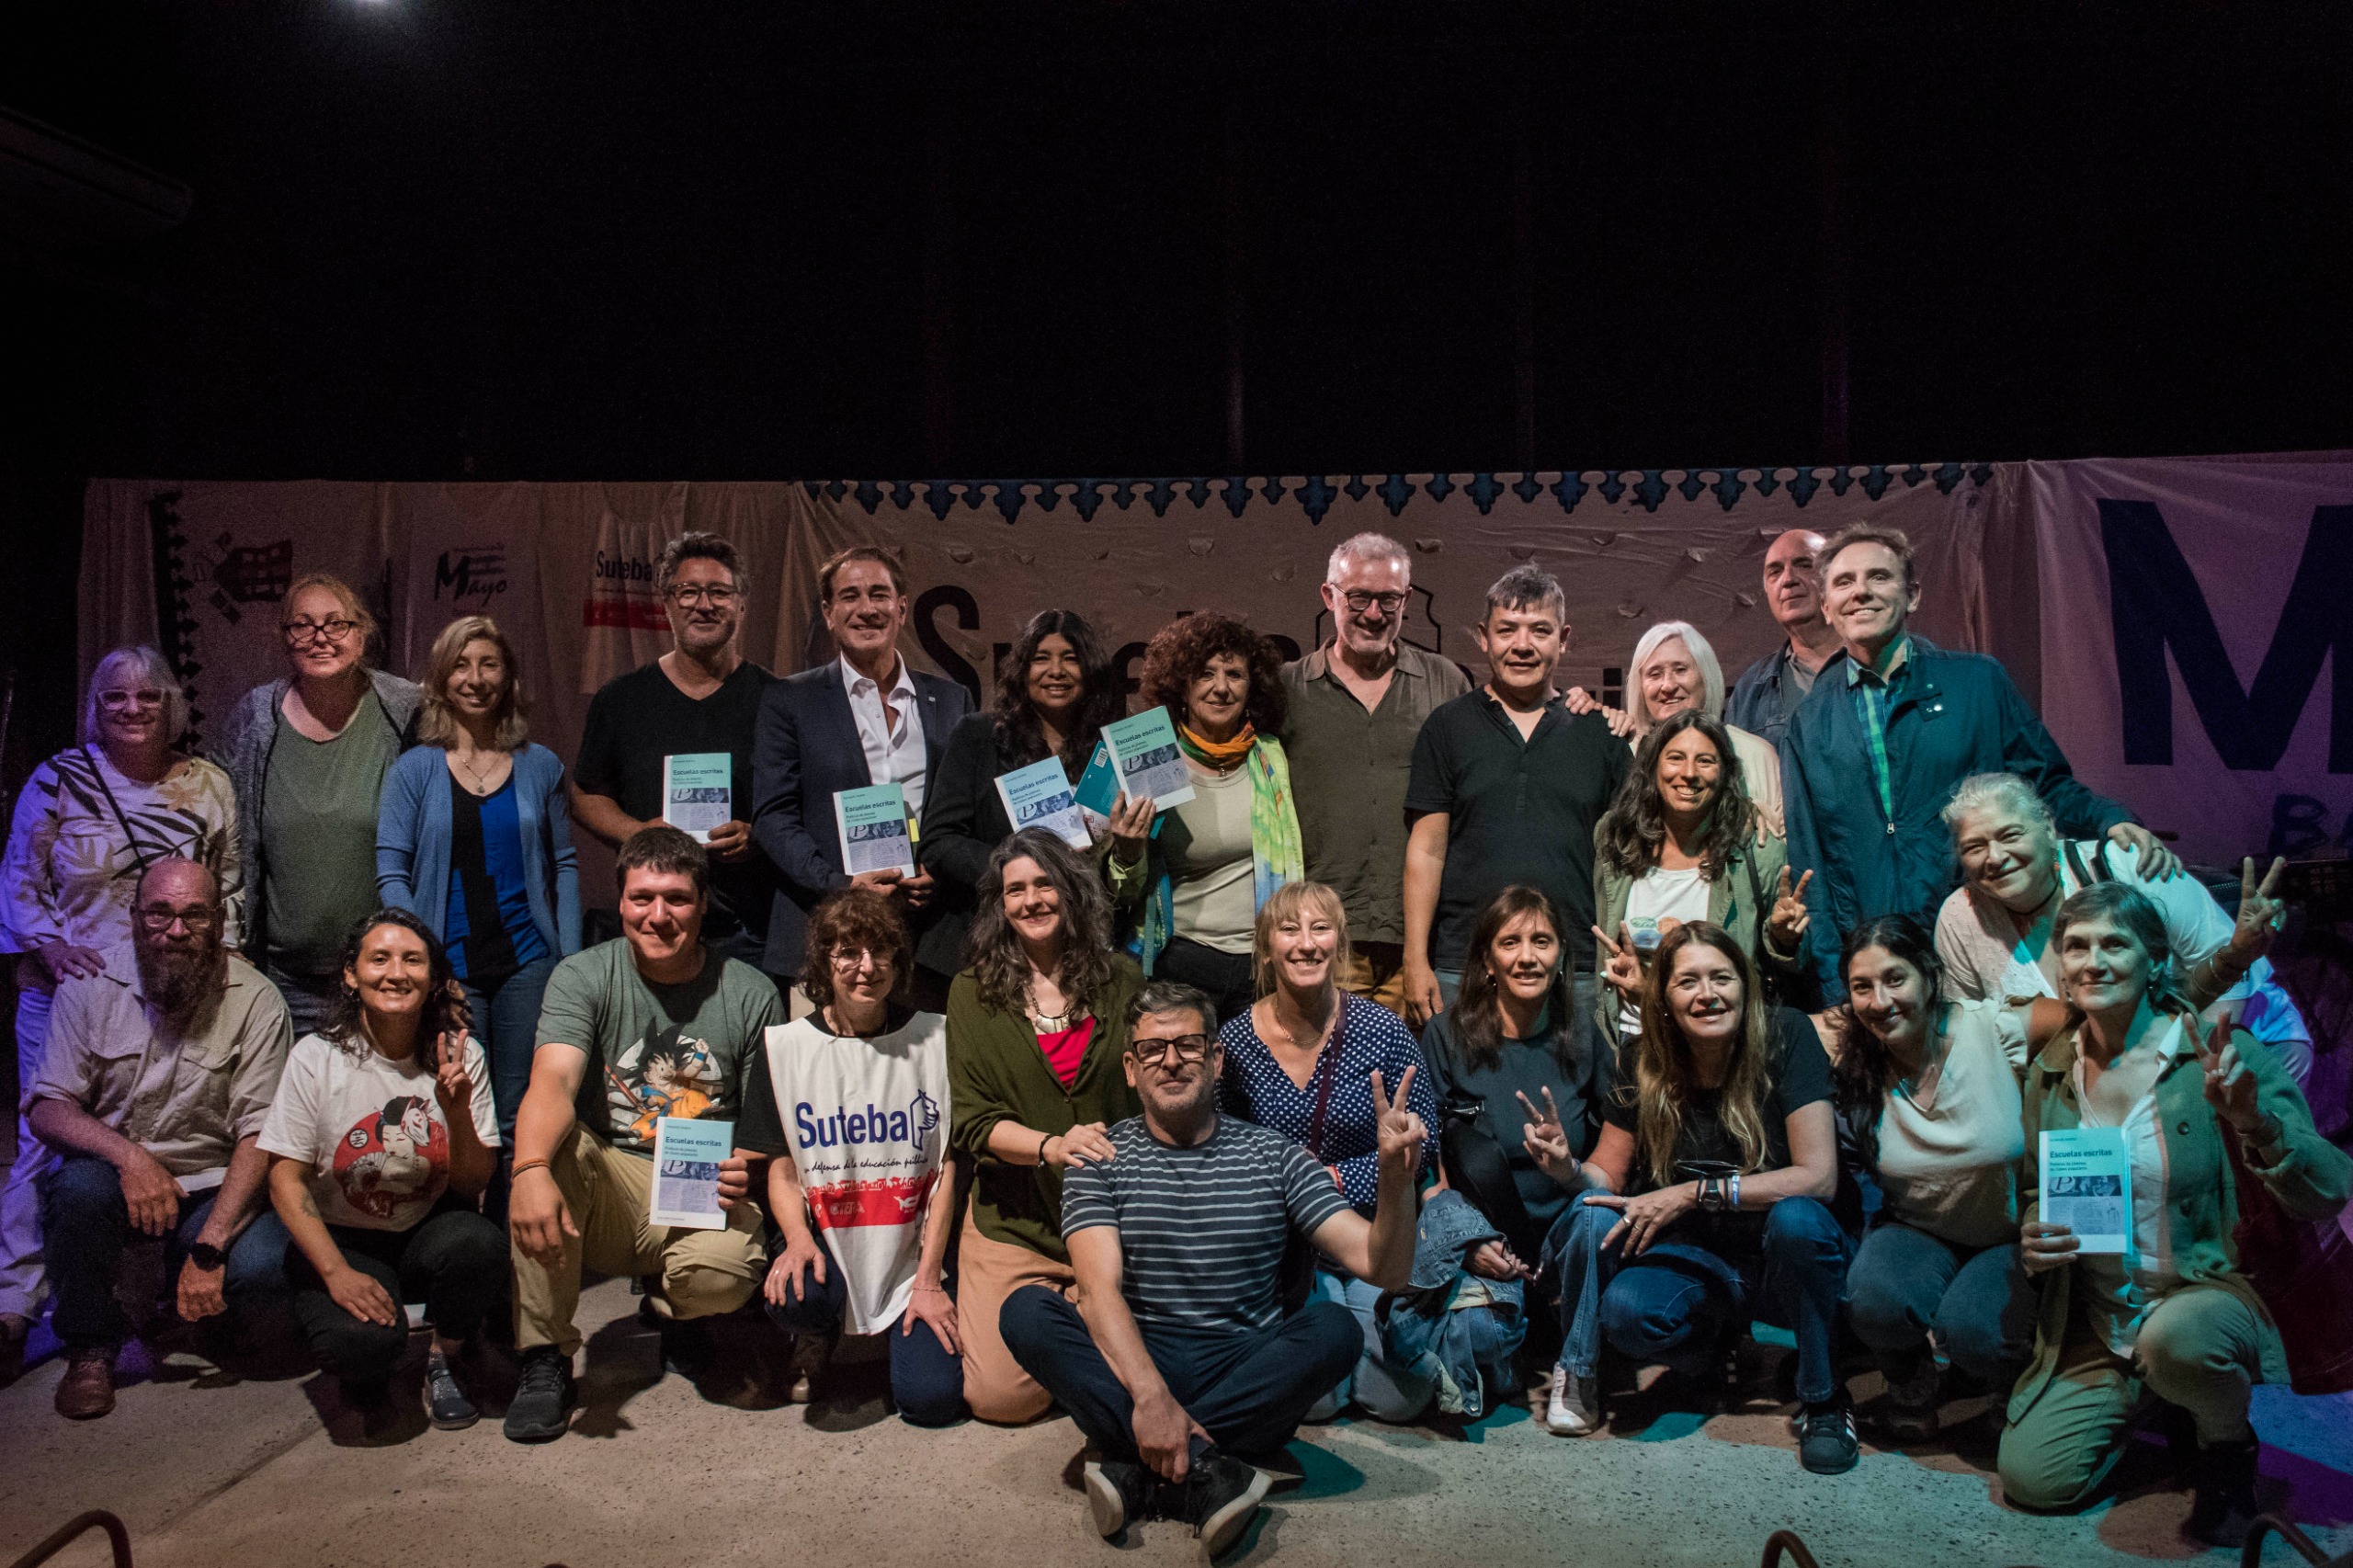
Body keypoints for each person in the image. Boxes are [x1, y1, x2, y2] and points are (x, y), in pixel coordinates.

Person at [997, 979, 1426, 1559]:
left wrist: (1395, 1180)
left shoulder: (1277, 1155)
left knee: (1336, 1331)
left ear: (1217, 1059)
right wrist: (1150, 1396)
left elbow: (1385, 1268)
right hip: (1138, 1359)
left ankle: (1135, 1464)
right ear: (1130, 1067)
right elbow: (1098, 1293)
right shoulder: (1100, 1159)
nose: (1170, 1061)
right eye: (1152, 1049)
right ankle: (1210, 1468)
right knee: (1027, 1311)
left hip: (1243, 1364)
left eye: (1188, 1046)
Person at [1997, 883, 2350, 1546]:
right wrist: (2034, 1230)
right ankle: (2163, 1397)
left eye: (2114, 944)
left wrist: (2254, 1121)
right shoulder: (2051, 1071)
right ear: (2060, 967)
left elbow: (2330, 1187)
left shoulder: (2216, 1051)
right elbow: (2034, 1190)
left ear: (2154, 960)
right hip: (2103, 1317)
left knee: (2178, 1342)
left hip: (2207, 1293)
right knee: (2032, 1481)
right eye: (2077, 946)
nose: (2093, 961)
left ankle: (2225, 1446)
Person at [1779, 524, 2177, 994]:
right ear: (1826, 606)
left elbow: (2044, 786)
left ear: (1912, 595)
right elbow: (1812, 869)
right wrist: (1833, 986)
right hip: (1879, 967)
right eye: (1844, 582)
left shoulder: (1977, 684)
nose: (1860, 591)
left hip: (1981, 939)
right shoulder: (1807, 722)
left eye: (1879, 577)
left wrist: (2108, 819)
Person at [0, 646, 242, 1378]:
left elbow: (227, 885)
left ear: (173, 704)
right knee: (47, 1143)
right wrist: (45, 946)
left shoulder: (208, 784)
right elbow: (20, 875)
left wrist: (221, 966)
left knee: (175, 1132)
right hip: (72, 990)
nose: (131, 709)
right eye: (114, 698)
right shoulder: (60, 779)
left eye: (147, 696)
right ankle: (14, 1305)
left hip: (175, 990)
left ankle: (158, 1296)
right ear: (94, 707)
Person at [1541, 922, 1859, 1474]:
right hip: (1702, 1259)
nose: (1707, 994)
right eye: (1688, 982)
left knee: (1798, 1219)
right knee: (1627, 1312)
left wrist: (1694, 1192)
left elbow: (1818, 1177)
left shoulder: (1786, 1035)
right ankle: (1713, 1348)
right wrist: (1567, 1166)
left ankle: (1825, 1400)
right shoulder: (1642, 1057)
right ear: (1663, 998)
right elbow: (1607, 1179)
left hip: (1785, 1254)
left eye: (1721, 978)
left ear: (1746, 986)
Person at [502, 824, 780, 1443]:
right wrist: (527, 1169)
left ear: (703, 904)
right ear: (621, 901)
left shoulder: (750, 992)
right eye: (641, 898)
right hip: (610, 1174)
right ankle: (545, 1356)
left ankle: (674, 1306)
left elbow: (766, 1119)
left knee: (724, 1275)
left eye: (677, 898)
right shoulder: (583, 976)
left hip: (703, 1181)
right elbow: (551, 1081)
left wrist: (748, 1163)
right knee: (554, 1146)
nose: (658, 916)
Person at [23, 858, 292, 1420]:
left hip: (211, 1185)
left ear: (219, 922)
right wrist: (131, 1159)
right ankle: (92, 1348)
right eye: (160, 914)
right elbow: (47, 1109)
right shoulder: (90, 984)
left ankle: (179, 1302)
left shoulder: (257, 1000)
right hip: (115, 1178)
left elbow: (261, 1134)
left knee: (261, 1275)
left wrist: (210, 1246)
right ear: (134, 917)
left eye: (194, 916)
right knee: (77, 1192)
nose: (175, 931)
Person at [259, 909, 506, 1427]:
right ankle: (369, 1363)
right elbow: (284, 1177)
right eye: (380, 959)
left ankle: (445, 1358)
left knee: (477, 1244)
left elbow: (473, 1182)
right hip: (344, 1236)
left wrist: (455, 1110)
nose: (396, 973)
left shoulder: (461, 1055)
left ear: (434, 979)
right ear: (351, 974)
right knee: (362, 1350)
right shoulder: (316, 1057)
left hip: (425, 1228)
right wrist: (336, 1273)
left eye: (413, 960)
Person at [1214, 881, 1445, 1422]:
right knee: (1318, 1403)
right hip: (1281, 1246)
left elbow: (1425, 1137)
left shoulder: (1381, 1031)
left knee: (1393, 1401)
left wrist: (1340, 1180)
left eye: (1321, 929)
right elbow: (1219, 1148)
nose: (1306, 944)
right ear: (1266, 946)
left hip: (1368, 1235)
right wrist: (1294, 1187)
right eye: (1289, 930)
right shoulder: (1234, 1042)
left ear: (1340, 944)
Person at [735, 887, 964, 1426]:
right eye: (847, 953)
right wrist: (794, 1241)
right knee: (799, 1294)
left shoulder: (933, 1038)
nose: (866, 967)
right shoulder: (785, 1048)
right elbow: (782, 1165)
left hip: (911, 1253)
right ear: (823, 962)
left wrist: (930, 1281)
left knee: (932, 1402)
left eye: (879, 952)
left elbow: (948, 1167)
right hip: (825, 1236)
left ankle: (893, 1331)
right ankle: (817, 1330)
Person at [1934, 771, 2311, 1084]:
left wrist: (2185, 1076)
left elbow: (2227, 965)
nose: (1996, 857)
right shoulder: (1959, 919)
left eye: (2010, 835)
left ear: (2049, 829)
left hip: (2242, 1048)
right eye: (1974, 847)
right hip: (2101, 1086)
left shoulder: (2128, 865)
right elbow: (1970, 1032)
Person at [946, 827, 1143, 1424]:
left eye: (1043, 884)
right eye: (1015, 891)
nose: (1031, 900)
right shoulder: (972, 994)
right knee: (999, 1401)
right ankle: (1078, 1327)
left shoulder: (1123, 980)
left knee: (1170, 1363)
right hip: (1016, 1222)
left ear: (1071, 889)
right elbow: (974, 1123)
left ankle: (1078, 1327)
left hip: (1108, 1220)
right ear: (1000, 906)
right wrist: (1052, 1147)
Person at [376, 615, 582, 1146]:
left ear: (508, 676)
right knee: (458, 1111)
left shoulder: (542, 766)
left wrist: (569, 965)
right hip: (450, 968)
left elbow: (563, 865)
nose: (475, 678)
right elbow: (391, 872)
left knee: (520, 1116)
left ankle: (515, 1226)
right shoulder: (414, 770)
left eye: (489, 664)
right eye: (461, 666)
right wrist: (427, 965)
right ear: (442, 680)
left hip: (528, 963)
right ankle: (468, 1230)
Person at [1831, 916, 2040, 1442]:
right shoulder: (1857, 1050)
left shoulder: (1991, 1027)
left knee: (1975, 1331)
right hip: (1919, 1228)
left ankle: (2007, 1381)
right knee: (1871, 1299)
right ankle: (1914, 1382)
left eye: (1895, 979)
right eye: (1862, 987)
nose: (1880, 1001)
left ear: (1929, 975)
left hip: (2009, 1233)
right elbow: (1767, 1026)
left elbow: (2093, 1018)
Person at [1402, 564, 1630, 1029]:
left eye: (1540, 631)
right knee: (1458, 1100)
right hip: (1460, 963)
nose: (1522, 646)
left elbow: (1630, 858)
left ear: (1563, 639)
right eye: (1507, 630)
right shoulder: (1447, 728)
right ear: (1484, 637)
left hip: (1579, 966)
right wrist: (1415, 958)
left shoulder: (1601, 734)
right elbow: (1426, 851)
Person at [753, 545, 972, 1008]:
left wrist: (940, 871)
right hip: (824, 930)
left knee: (923, 1079)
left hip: (929, 938)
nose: (867, 608)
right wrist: (842, 883)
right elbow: (774, 818)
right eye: (850, 596)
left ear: (902, 608)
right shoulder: (790, 701)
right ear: (829, 614)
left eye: (879, 594)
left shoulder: (952, 702)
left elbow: (967, 811)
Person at [213, 573, 420, 1039]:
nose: (320, 638)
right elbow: (218, 834)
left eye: (336, 624)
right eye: (302, 626)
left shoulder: (406, 710)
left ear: (362, 634)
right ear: (284, 638)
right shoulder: (255, 717)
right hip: (282, 979)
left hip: (385, 978)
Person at [1277, 532, 1471, 1015]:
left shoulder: (1445, 681)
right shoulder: (1285, 690)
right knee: (1330, 1085)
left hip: (1422, 943)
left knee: (1414, 1083)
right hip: (1320, 942)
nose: (1373, 613)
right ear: (1329, 596)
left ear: (1407, 599)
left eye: (1388, 599)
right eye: (1358, 597)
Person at [572, 532, 775, 971]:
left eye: (719, 592)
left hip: (754, 928)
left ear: (741, 605)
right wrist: (638, 832)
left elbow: (805, 803)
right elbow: (587, 794)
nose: (704, 604)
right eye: (688, 592)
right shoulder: (621, 699)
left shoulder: (779, 701)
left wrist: (761, 833)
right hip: (654, 925)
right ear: (666, 604)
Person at [1106, 611, 1302, 1028]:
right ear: (1181, 684)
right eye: (1205, 673)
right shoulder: (1151, 761)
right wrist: (1126, 850)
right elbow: (1123, 893)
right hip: (1180, 962)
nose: (1220, 687)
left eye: (1234, 674)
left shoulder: (1270, 756)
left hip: (1262, 966)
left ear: (1253, 688)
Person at [1420, 886, 1612, 1276]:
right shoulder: (1445, 1036)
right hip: (1479, 1236)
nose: (1527, 957)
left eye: (1542, 941)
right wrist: (1463, 1238)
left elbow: (1621, 1144)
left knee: (1600, 1229)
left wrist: (1570, 1169)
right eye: (1511, 942)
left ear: (1560, 958)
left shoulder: (1583, 1035)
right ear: (1488, 961)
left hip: (1568, 1233)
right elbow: (1426, 1163)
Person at [1591, 710, 1812, 1044]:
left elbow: (1786, 962)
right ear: (1652, 768)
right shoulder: (1615, 838)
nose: (1689, 773)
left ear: (1725, 772)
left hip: (1714, 1049)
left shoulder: (1757, 853)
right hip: (1629, 1043)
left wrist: (1783, 938)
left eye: (1705, 761)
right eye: (1675, 758)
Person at [920, 608, 1120, 959]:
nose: (1055, 671)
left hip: (1080, 947)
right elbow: (939, 842)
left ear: (1090, 671)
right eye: (1041, 658)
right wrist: (1018, 869)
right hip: (987, 945)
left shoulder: (1111, 752)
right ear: (1022, 670)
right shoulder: (979, 736)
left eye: (1070, 659)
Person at [1620, 619, 1784, 839]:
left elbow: (1781, 849)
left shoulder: (1756, 754)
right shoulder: (1624, 757)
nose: (1667, 686)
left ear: (1706, 676)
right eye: (1654, 674)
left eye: (1680, 670)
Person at [1725, 528, 1842, 750]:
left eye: (1805, 565)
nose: (1788, 579)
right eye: (1775, 572)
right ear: (1767, 590)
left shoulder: (1878, 665)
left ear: (1836, 578)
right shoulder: (1750, 690)